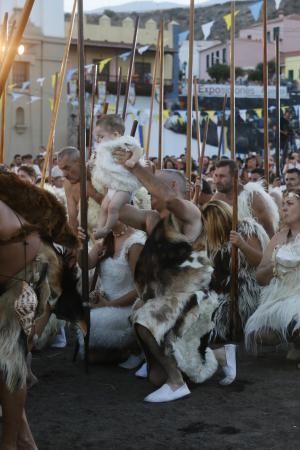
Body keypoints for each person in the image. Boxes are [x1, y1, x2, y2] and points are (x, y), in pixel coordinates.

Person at [114, 159, 235, 402]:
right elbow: (119, 210)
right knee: (153, 376)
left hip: (189, 295)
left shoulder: (189, 213)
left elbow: (169, 199)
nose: (148, 193)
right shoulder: (152, 218)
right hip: (163, 295)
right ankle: (217, 353)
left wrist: (134, 166)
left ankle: (177, 383)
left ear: (168, 185)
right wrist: (106, 174)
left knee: (145, 318)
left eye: (152, 188)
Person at [77, 222, 146, 366]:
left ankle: (136, 349)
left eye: (106, 212)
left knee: (91, 322)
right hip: (105, 303)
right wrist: (80, 245)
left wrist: (109, 304)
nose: (101, 218)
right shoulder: (106, 241)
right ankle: (121, 351)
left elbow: (142, 287)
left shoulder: (135, 243)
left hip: (130, 306)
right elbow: (85, 264)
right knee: (90, 356)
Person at [245, 188, 300, 363]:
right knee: (259, 336)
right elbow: (260, 278)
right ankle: (295, 341)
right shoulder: (278, 238)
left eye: (290, 204)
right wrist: (275, 264)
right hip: (280, 296)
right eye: (283, 204)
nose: (283, 208)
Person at [200, 200, 269, 341]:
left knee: (209, 327)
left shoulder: (245, 229)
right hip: (218, 291)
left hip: (242, 292)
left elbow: (261, 262)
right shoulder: (212, 238)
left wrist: (242, 245)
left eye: (208, 223)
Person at [92, 115, 143, 238]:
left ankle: (107, 229)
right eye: (97, 137)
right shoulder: (103, 148)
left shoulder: (123, 141)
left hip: (124, 185)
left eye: (101, 136)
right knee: (104, 207)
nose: (98, 140)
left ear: (115, 134)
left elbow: (138, 149)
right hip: (112, 185)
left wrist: (133, 160)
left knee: (113, 207)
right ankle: (100, 228)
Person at [213, 159, 279, 238]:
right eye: (216, 176)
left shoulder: (253, 198)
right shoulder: (217, 198)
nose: (217, 181)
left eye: (222, 176)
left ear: (235, 177)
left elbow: (270, 233)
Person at [57, 146, 104, 232]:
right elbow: (73, 218)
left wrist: (93, 193)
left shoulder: (100, 173)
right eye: (61, 169)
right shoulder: (68, 183)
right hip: (89, 237)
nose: (64, 175)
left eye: (67, 168)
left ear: (80, 162)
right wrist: (77, 242)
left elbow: (118, 209)